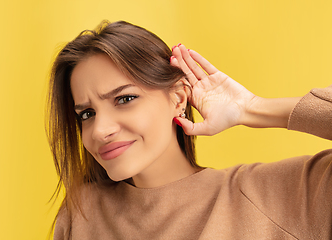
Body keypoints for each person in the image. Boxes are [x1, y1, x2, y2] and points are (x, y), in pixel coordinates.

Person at [47, 21, 332, 239]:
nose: (99, 130)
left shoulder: (277, 195)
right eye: (87, 113)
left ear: (178, 97)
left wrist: (251, 108)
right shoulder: (81, 214)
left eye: (124, 99)